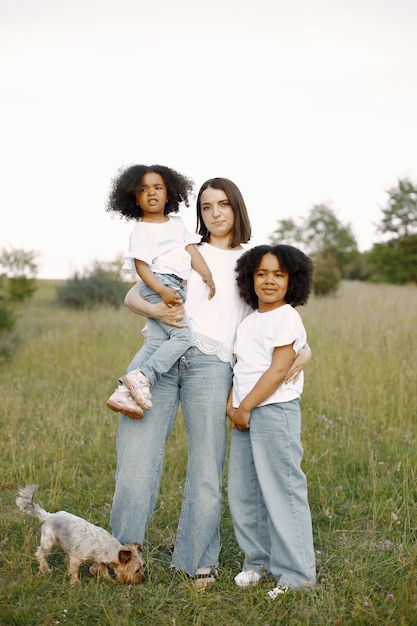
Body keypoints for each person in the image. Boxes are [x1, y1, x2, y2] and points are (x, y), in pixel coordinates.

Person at [109, 178, 311, 589]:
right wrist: (159, 313)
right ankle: (120, 555)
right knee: (136, 459)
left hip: (213, 366)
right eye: (205, 207)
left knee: (206, 467)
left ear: (237, 208)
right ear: (198, 214)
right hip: (157, 359)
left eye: (223, 205)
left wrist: (304, 350)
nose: (215, 213)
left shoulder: (252, 261)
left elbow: (277, 316)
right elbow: (133, 296)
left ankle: (197, 558)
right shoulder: (185, 249)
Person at [226, 244, 316, 599]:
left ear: (292, 280)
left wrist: (244, 407)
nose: (269, 281)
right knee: (244, 492)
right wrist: (234, 407)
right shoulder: (250, 321)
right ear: (251, 278)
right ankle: (257, 562)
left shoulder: (286, 316)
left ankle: (297, 575)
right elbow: (242, 367)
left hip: (273, 411)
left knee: (283, 491)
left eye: (279, 274)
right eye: (262, 273)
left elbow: (279, 369)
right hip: (245, 412)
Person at [105, 164, 215, 417]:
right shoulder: (142, 230)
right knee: (183, 337)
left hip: (175, 284)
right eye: (143, 189)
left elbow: (190, 250)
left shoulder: (176, 224)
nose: (151, 193)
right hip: (159, 284)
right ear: (134, 197)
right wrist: (162, 291)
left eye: (157, 188)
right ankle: (144, 376)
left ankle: (123, 394)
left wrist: (206, 274)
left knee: (155, 342)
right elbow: (141, 268)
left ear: (170, 194)